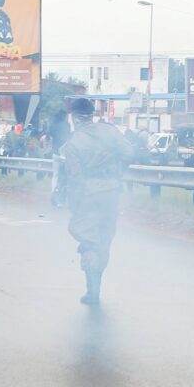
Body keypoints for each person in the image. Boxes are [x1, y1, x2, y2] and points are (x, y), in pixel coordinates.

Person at [63, 98, 134, 305]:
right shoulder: (109, 131)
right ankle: (96, 287)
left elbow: (75, 179)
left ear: (75, 117)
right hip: (112, 192)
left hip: (88, 195)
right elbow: (128, 152)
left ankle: (92, 290)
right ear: (92, 114)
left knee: (89, 240)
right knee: (105, 239)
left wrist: (74, 206)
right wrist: (117, 174)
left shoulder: (74, 142)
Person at [49, 110, 71, 206]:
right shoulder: (66, 125)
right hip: (64, 154)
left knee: (55, 175)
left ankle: (53, 191)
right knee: (64, 177)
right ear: (64, 116)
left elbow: (52, 136)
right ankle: (61, 198)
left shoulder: (53, 125)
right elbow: (67, 137)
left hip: (55, 153)